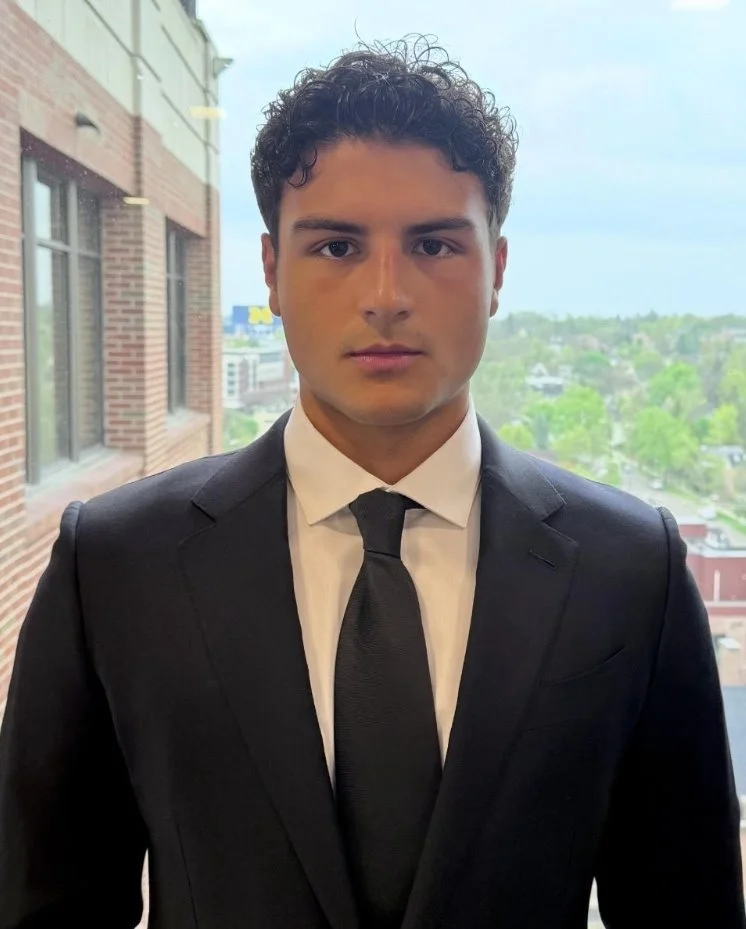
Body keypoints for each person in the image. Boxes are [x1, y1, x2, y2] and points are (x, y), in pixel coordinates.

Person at [0, 35, 743, 929]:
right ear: (272, 270)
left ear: (496, 270)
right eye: (337, 246)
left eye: (433, 244)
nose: (385, 293)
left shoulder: (633, 569)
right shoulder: (116, 563)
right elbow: (44, 901)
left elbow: (686, 907)